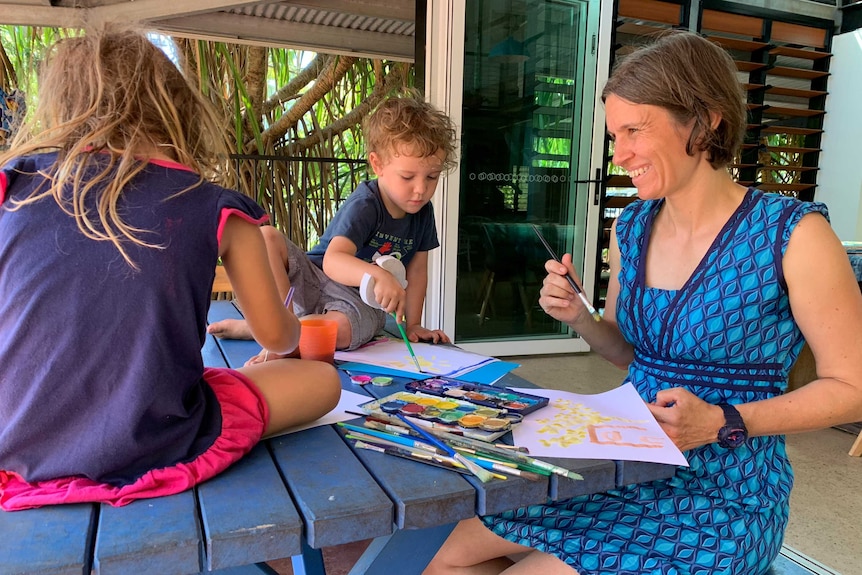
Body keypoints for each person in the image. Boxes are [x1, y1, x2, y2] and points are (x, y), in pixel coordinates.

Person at [424, 30, 862, 575]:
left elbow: (852, 391)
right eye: (615, 134)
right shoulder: (631, 227)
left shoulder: (794, 235)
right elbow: (631, 355)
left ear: (705, 119)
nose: (620, 153)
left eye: (635, 129)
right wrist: (579, 318)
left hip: (722, 496)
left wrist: (723, 420)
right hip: (622, 463)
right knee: (438, 556)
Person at [0, 27, 341, 511]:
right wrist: (286, 333)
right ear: (175, 109)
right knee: (323, 382)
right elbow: (279, 340)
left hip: (16, 452)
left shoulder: (11, 187)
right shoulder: (216, 206)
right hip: (157, 444)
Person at [208, 92, 457, 359]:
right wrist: (378, 276)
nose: (421, 189)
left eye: (432, 176)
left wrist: (414, 325)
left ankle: (266, 330)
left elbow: (418, 271)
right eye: (408, 176)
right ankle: (280, 330)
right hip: (313, 277)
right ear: (377, 165)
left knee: (338, 333)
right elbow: (333, 261)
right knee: (266, 236)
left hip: (358, 302)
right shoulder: (366, 203)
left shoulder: (423, 213)